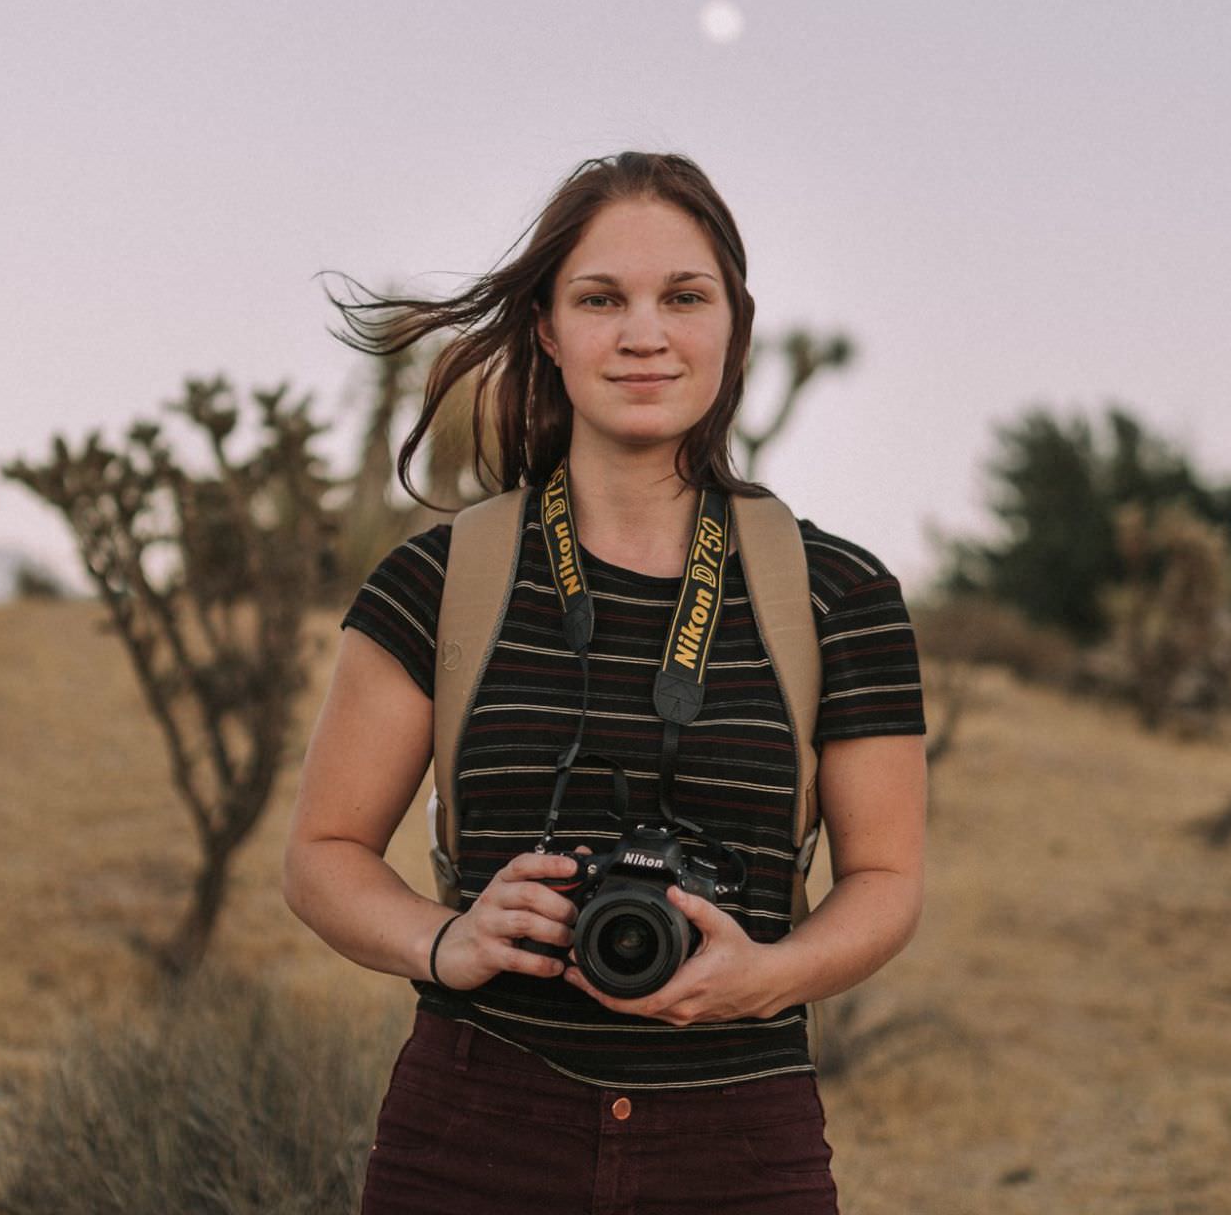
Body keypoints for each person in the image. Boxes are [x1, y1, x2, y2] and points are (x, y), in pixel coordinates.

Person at [283, 150, 927, 1215]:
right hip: (472, 1139)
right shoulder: (439, 582)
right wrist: (449, 941)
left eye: (684, 295)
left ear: (734, 322)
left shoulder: (839, 593)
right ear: (546, 326)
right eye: (600, 297)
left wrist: (763, 975)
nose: (644, 332)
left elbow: (888, 878)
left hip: (740, 1145)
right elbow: (321, 854)